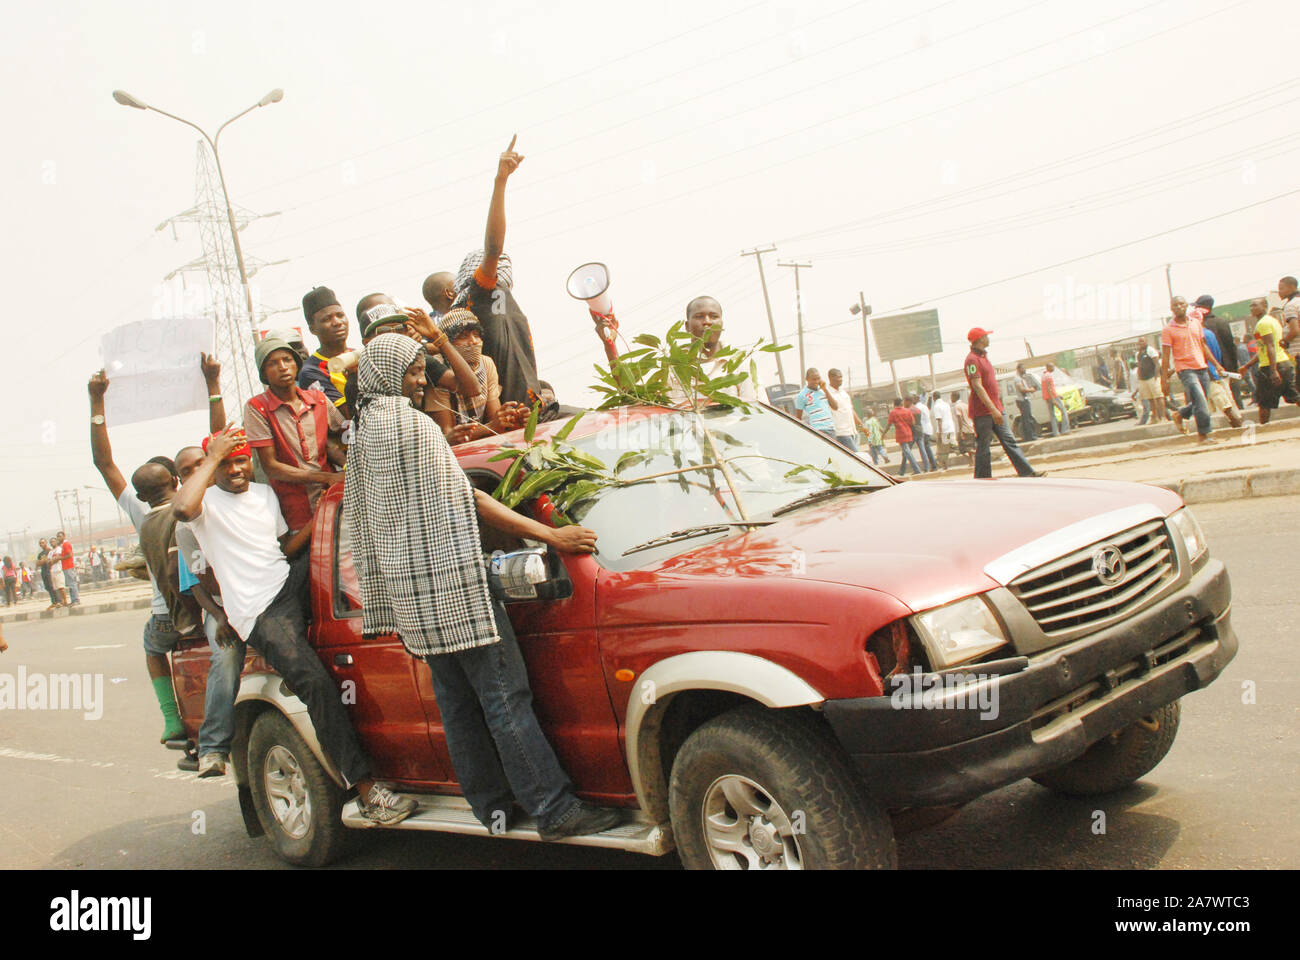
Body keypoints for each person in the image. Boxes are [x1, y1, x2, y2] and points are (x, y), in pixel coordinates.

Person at [343, 332, 622, 840]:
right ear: (386, 374)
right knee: (504, 697)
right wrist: (549, 533)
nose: (418, 380)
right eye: (409, 371)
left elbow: (364, 518)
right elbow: (467, 498)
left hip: (411, 595)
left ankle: (492, 808)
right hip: (453, 586)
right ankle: (554, 810)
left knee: (457, 704)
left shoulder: (363, 433)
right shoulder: (411, 424)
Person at [172, 426, 414, 824]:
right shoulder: (204, 505)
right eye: (227, 463)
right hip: (259, 612)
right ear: (213, 467)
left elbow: (282, 550)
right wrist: (212, 455)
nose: (236, 469)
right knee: (315, 684)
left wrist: (319, 524)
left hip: (285, 582)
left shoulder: (264, 496)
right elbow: (180, 509)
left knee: (350, 572)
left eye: (241, 460)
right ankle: (367, 791)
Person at [89, 369, 195, 747]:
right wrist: (212, 386)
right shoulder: (195, 500)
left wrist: (96, 401)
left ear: (140, 492)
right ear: (177, 482)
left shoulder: (141, 513)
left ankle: (172, 719)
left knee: (154, 650)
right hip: (209, 605)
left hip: (166, 615)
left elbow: (104, 463)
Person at [451, 136, 543, 407]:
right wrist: (501, 181)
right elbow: (493, 248)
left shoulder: (505, 301)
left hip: (535, 408)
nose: (503, 266)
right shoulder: (480, 295)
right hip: (509, 416)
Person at [244, 335, 347, 534]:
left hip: (331, 497)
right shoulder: (257, 407)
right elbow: (271, 467)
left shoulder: (318, 398)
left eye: (287, 360)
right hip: (293, 507)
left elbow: (342, 433)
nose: (282, 367)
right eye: (272, 363)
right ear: (264, 373)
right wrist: (326, 477)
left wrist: (345, 467)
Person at [426, 309, 530, 444]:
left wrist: (511, 420)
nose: (473, 341)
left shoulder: (486, 363)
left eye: (476, 335)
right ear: (448, 344)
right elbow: (450, 436)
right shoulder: (440, 371)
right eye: (463, 336)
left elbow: (495, 419)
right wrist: (491, 427)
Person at [965, 328, 1044, 480]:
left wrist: (996, 408)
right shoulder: (972, 360)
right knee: (984, 446)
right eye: (986, 336)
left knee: (1009, 441)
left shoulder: (983, 358)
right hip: (984, 412)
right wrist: (993, 410)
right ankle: (982, 479)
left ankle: (1026, 472)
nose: (988, 338)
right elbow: (977, 386)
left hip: (996, 409)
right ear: (980, 339)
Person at [666, 296, 760, 404]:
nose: (707, 322)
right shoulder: (672, 367)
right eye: (699, 316)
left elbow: (754, 406)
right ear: (687, 326)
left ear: (721, 323)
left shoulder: (740, 361)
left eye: (714, 316)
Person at [1161, 296, 1227, 444]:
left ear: (1186, 306)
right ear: (1171, 309)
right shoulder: (1168, 329)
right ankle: (1205, 434)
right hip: (1185, 369)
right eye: (1175, 305)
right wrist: (1164, 379)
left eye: (1181, 304)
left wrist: (1216, 365)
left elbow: (1203, 346)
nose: (1178, 307)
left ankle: (1180, 414)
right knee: (1201, 399)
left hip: (1201, 366)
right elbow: (1165, 356)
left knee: (1201, 400)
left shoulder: (1196, 323)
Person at [1240, 296, 1299, 424]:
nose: (1252, 308)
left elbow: (1270, 346)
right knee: (1294, 396)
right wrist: (1247, 365)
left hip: (1271, 366)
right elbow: (1263, 350)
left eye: (1255, 305)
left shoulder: (1263, 323)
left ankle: (1263, 429)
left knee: (1264, 403)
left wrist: (1273, 371)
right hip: (1284, 363)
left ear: (1264, 307)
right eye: (1251, 305)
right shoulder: (1272, 321)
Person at [297, 286, 354, 418]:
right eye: (327, 319)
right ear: (312, 329)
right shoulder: (311, 371)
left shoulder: (359, 354)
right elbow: (346, 415)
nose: (337, 322)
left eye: (340, 315)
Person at [1199, 321, 1243, 428]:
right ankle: (1239, 422)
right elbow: (1218, 352)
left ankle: (1236, 424)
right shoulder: (1210, 334)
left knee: (1221, 400)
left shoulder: (1198, 336)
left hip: (1208, 372)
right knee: (1228, 398)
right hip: (1217, 370)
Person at [825, 369, 865, 452]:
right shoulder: (828, 394)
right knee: (856, 457)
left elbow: (851, 410)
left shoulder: (843, 392)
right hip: (841, 433)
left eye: (841, 377)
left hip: (853, 432)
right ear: (831, 378)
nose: (841, 379)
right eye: (838, 377)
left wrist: (861, 425)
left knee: (854, 458)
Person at [794, 368, 837, 440]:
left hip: (831, 428)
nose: (816, 381)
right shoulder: (801, 395)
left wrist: (825, 389)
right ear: (807, 379)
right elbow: (798, 418)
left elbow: (835, 407)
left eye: (818, 378)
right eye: (813, 379)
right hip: (818, 430)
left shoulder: (823, 390)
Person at [886, 398, 922, 476]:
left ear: (894, 404)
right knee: (905, 453)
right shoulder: (907, 411)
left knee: (907, 452)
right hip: (909, 433)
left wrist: (883, 434)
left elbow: (889, 425)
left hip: (901, 434)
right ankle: (902, 471)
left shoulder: (893, 413)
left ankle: (917, 469)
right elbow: (913, 422)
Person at [1135, 336, 1165, 423]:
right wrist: (1139, 377)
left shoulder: (1151, 350)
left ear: (1146, 341)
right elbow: (1139, 366)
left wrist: (1156, 377)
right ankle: (1155, 417)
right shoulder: (1138, 354)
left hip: (1152, 377)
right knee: (1150, 399)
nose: (1141, 343)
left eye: (1143, 341)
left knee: (1158, 397)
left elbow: (1157, 364)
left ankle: (1163, 417)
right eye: (1139, 342)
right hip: (1143, 379)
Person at [1041, 361, 1071, 435]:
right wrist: (1053, 398)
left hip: (1047, 397)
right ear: (1048, 367)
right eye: (1052, 367)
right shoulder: (1048, 375)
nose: (1053, 368)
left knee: (1052, 415)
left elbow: (1049, 388)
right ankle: (1065, 430)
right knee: (1063, 411)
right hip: (1052, 397)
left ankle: (1056, 432)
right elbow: (1049, 388)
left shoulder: (1044, 375)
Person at [909, 396, 938, 471]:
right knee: (926, 447)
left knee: (925, 448)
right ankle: (933, 465)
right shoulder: (923, 406)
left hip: (923, 429)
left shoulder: (917, 408)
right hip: (927, 428)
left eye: (913, 399)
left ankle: (933, 465)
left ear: (917, 399)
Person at [1013, 362, 1039, 442]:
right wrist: (1031, 390)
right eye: (1023, 368)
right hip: (1022, 400)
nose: (1024, 370)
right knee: (1027, 419)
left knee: (1026, 418)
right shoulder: (1017, 378)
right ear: (1019, 369)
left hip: (1024, 399)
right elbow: (1022, 389)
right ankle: (1031, 436)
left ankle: (1028, 436)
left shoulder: (1021, 378)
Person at [930, 391, 955, 470]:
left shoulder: (936, 406)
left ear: (934, 398)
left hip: (943, 430)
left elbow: (939, 420)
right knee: (948, 447)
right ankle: (945, 465)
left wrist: (940, 433)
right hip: (950, 428)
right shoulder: (946, 404)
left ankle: (944, 466)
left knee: (942, 449)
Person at [951, 391, 976, 465]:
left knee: (962, 449)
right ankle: (972, 462)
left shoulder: (957, 407)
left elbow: (960, 419)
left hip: (964, 429)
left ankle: (976, 455)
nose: (951, 399)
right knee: (969, 447)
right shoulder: (966, 405)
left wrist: (961, 431)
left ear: (954, 397)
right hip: (970, 428)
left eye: (951, 397)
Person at [35, 538, 55, 607]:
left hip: (49, 571)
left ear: (46, 543)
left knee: (52, 586)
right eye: (40, 543)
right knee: (47, 587)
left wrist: (42, 561)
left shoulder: (50, 551)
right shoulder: (40, 554)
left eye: (43, 542)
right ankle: (53, 601)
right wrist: (42, 561)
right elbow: (37, 563)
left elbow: (46, 560)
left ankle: (57, 601)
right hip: (43, 572)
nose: (41, 544)